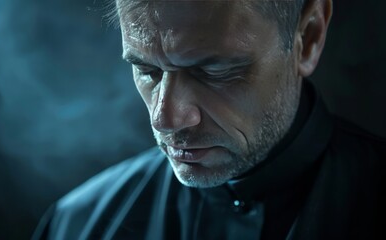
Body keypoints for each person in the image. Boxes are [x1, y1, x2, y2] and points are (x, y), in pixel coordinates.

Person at [32, 0, 386, 239]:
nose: (165, 119)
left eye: (213, 71)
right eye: (147, 70)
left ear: (308, 37)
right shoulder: (77, 227)